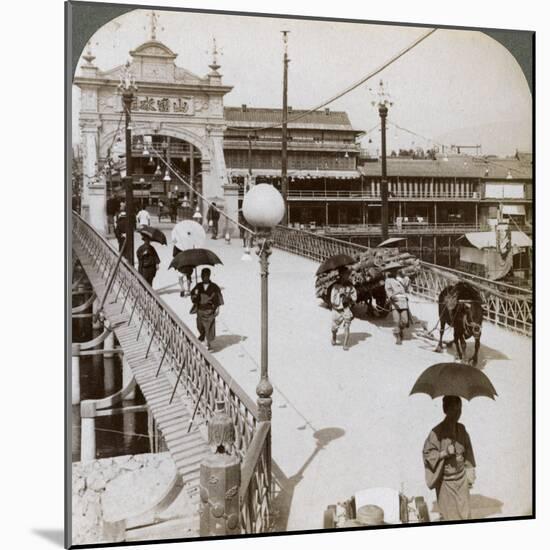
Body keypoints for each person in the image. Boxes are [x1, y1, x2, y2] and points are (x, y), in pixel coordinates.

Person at [423, 396, 476, 521]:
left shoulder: (462, 429)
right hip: (446, 484)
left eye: (459, 409)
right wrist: (444, 453)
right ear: (445, 409)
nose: (458, 413)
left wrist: (469, 475)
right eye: (454, 410)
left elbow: (468, 453)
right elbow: (427, 454)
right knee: (450, 518)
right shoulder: (436, 432)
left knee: (465, 516)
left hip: (461, 481)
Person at [190, 268, 224, 351]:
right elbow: (193, 296)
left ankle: (207, 342)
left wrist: (218, 309)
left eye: (206, 276)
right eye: (202, 276)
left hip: (209, 310)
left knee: (209, 327)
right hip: (200, 309)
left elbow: (218, 298)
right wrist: (195, 294)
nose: (204, 277)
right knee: (200, 326)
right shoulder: (198, 286)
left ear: (209, 276)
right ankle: (203, 335)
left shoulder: (214, 287)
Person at [330, 267, 357, 350]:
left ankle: (345, 344)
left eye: (348, 274)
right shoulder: (335, 286)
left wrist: (349, 297)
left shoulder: (350, 286)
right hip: (337, 309)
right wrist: (340, 295)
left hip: (346, 309)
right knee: (334, 328)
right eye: (345, 274)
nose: (347, 276)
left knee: (347, 326)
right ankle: (334, 337)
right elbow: (333, 300)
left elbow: (354, 297)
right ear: (341, 275)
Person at [384, 265, 411, 345]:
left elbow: (408, 288)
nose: (394, 272)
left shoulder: (404, 279)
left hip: (403, 301)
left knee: (405, 321)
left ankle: (400, 329)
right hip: (395, 302)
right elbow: (388, 290)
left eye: (395, 270)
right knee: (396, 320)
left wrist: (408, 281)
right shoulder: (388, 280)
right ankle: (398, 337)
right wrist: (391, 296)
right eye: (392, 270)